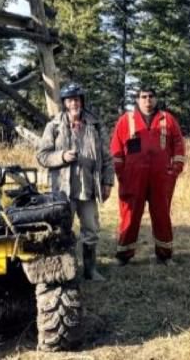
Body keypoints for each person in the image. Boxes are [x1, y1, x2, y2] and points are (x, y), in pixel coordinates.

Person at [36, 83, 114, 281]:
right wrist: (62, 156)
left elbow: (107, 157)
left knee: (91, 229)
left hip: (88, 188)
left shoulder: (95, 125)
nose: (74, 103)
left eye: (77, 99)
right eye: (70, 100)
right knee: (61, 231)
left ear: (82, 101)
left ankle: (90, 270)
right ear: (64, 103)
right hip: (62, 191)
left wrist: (107, 182)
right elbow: (42, 156)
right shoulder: (53, 126)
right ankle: (64, 271)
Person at [110, 86, 185, 265]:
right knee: (130, 215)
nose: (147, 100)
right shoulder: (126, 120)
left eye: (151, 96)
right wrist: (122, 173)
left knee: (162, 215)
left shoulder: (168, 119)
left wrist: (175, 169)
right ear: (137, 99)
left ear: (156, 99)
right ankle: (124, 256)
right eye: (143, 97)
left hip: (161, 178)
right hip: (133, 178)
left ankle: (164, 255)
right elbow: (116, 148)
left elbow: (178, 144)